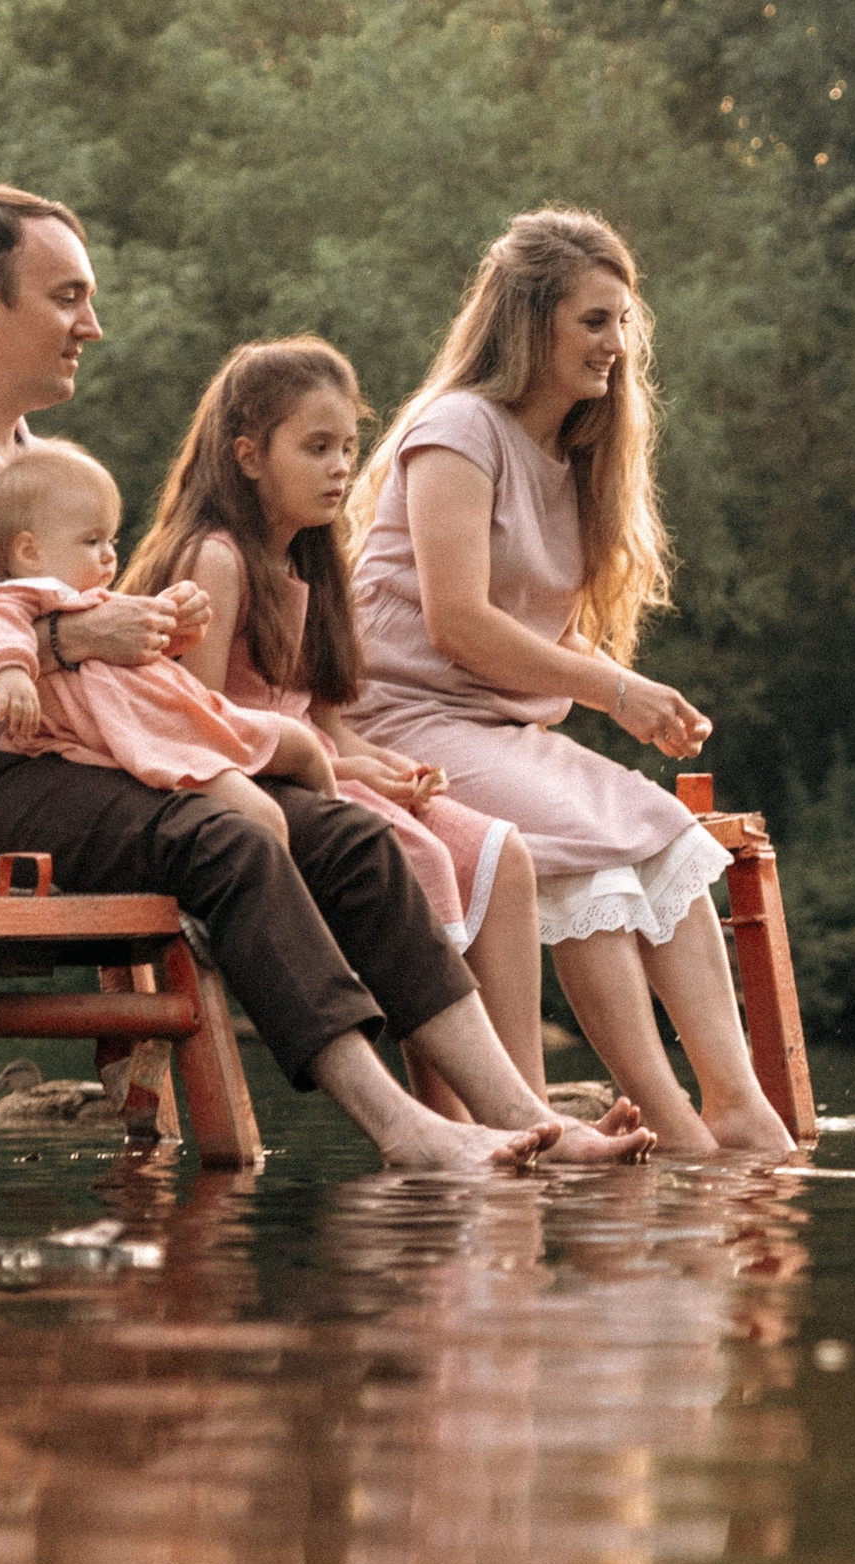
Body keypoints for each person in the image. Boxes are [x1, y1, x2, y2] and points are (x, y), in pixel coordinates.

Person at [0, 183, 649, 1171]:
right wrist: (78, 638)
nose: (91, 325)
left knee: (351, 836)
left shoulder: (42, 465)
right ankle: (407, 1129)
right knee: (224, 836)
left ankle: (522, 1117)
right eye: (67, 298)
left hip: (81, 760)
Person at [343, 206, 792, 1155]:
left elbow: (540, 628)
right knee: (592, 849)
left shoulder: (576, 454)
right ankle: (675, 1128)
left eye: (623, 322)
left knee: (665, 833)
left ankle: (735, 1101)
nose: (616, 345)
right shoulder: (457, 429)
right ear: (528, 321)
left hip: (496, 728)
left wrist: (632, 692)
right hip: (402, 718)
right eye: (594, 321)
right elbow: (458, 622)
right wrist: (614, 693)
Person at [121, 335, 548, 1109]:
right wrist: (339, 768)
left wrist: (379, 766)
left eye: (349, 447)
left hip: (310, 772)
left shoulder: (313, 563)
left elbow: (326, 722)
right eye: (317, 447)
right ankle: (457, 1116)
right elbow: (193, 727)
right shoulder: (214, 560)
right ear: (249, 456)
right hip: (244, 784)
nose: (340, 466)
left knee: (500, 853)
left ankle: (528, 1103)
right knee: (418, 854)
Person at [0, 439, 337, 850]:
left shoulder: (100, 603)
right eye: (91, 541)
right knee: (262, 818)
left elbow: (145, 652)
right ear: (29, 552)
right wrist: (11, 673)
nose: (109, 555)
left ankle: (327, 842)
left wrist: (174, 622)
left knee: (304, 748)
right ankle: (278, 879)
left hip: (183, 713)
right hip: (149, 737)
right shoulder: (24, 597)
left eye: (112, 541)